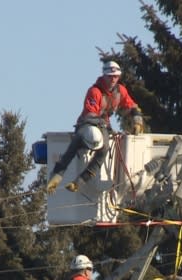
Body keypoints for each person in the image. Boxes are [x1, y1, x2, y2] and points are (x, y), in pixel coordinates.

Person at [46, 60, 144, 194]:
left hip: (103, 125)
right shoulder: (94, 91)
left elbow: (132, 106)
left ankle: (80, 181)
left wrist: (137, 121)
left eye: (115, 76)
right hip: (87, 123)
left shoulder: (120, 91)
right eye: (110, 76)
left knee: (104, 149)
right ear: (104, 76)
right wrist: (106, 127)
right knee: (76, 143)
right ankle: (56, 176)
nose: (113, 79)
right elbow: (90, 114)